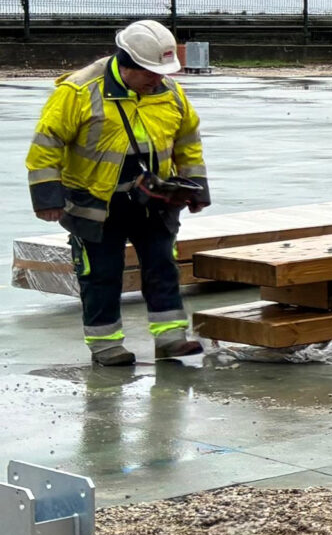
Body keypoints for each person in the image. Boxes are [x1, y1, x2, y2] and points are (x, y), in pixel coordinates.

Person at [26, 20, 210, 367]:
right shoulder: (79, 91)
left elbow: (188, 140)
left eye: (161, 72)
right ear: (126, 65)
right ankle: (106, 346)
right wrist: (47, 197)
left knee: (163, 266)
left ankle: (171, 338)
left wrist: (197, 188)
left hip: (154, 200)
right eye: (149, 73)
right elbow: (47, 144)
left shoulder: (169, 91)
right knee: (101, 274)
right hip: (94, 203)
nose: (157, 79)